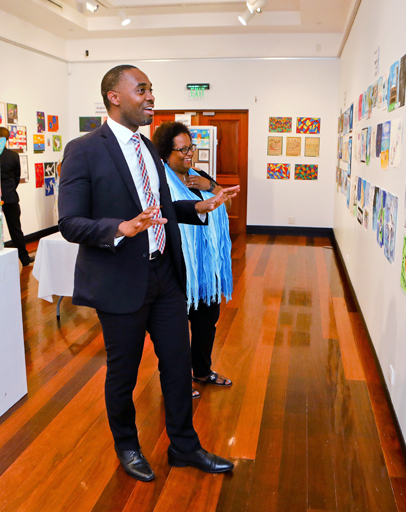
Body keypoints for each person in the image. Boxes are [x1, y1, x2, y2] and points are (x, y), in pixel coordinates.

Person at [58, 65, 239, 482]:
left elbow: (161, 210)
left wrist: (198, 206)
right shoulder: (84, 150)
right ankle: (127, 446)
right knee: (123, 372)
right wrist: (120, 228)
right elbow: (69, 222)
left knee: (177, 363)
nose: (150, 97)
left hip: (165, 276)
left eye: (151, 89)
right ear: (114, 97)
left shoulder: (147, 148)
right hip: (120, 280)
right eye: (141, 90)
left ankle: (184, 447)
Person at [151, 122, 234, 400]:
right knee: (174, 331)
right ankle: (177, 382)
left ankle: (202, 371)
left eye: (191, 148)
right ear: (166, 153)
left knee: (206, 323)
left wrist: (210, 185)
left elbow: (227, 202)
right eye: (182, 149)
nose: (189, 154)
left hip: (206, 267)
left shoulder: (199, 176)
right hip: (178, 266)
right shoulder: (160, 183)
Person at [0, 127, 33, 266]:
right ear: (7, 139)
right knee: (16, 229)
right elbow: (17, 177)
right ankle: (24, 258)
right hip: (10, 197)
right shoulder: (13, 156)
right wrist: (9, 189)